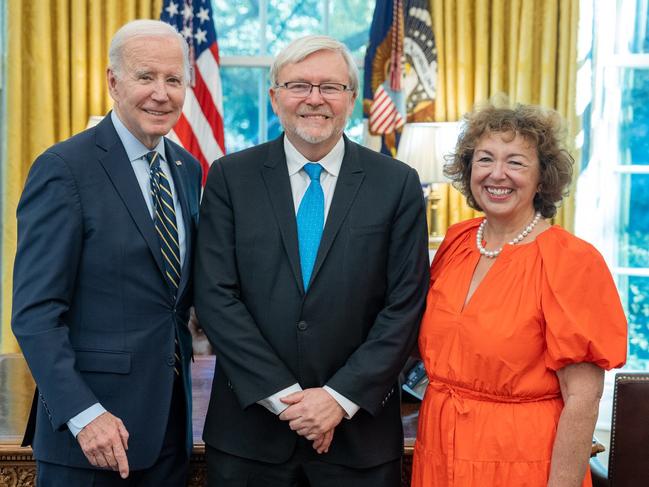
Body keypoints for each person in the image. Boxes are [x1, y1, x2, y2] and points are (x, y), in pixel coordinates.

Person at [194, 35, 429, 486]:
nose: (314, 99)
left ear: (351, 98)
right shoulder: (229, 177)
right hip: (249, 440)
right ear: (275, 96)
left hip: (357, 441)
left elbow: (405, 305)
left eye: (331, 87)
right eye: (299, 85)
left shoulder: (396, 183)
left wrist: (337, 399)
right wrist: (287, 401)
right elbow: (215, 297)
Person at [11, 19, 202, 486]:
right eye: (146, 77)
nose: (161, 93)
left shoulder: (187, 168)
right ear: (113, 82)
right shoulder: (63, 169)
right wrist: (83, 413)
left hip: (168, 433)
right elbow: (35, 314)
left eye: (173, 80)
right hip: (90, 438)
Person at [411, 101, 628, 487]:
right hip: (439, 452)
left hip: (518, 460)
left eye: (515, 162)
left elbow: (582, 399)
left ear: (542, 179)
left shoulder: (571, 261)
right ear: (468, 169)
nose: (497, 174)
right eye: (485, 159)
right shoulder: (457, 242)